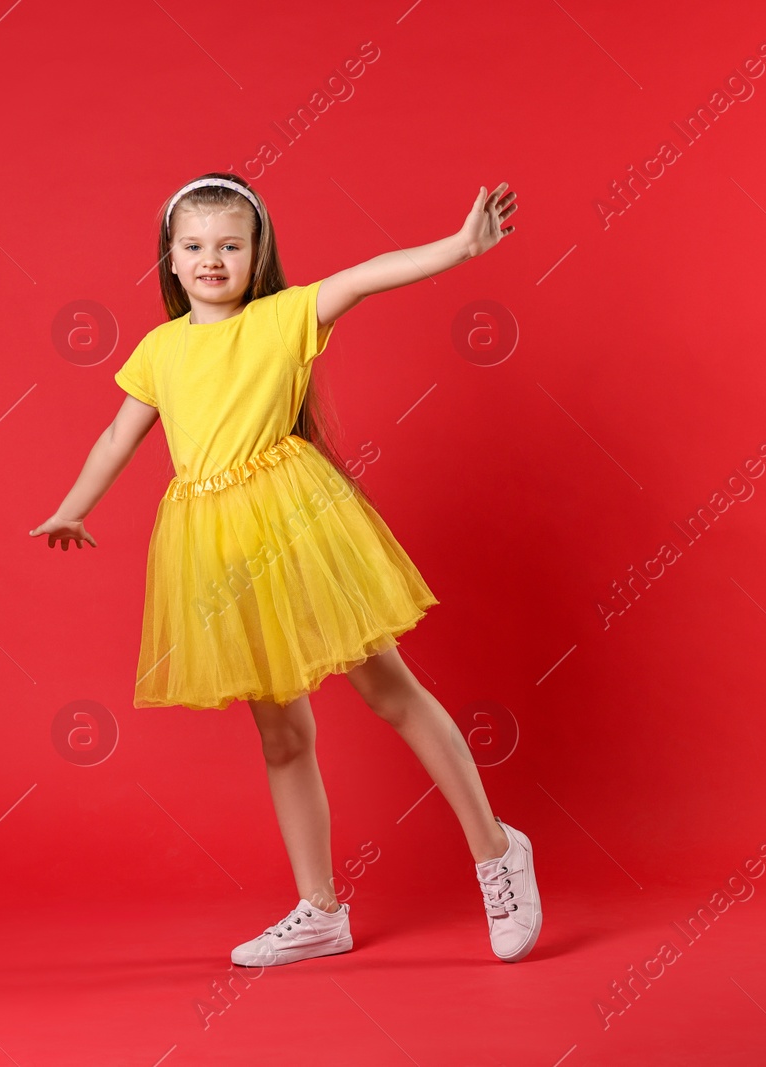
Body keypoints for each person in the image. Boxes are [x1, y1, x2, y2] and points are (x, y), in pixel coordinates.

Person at [30, 172, 540, 965]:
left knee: (389, 691)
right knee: (282, 735)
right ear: (169, 259)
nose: (211, 259)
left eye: (230, 245)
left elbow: (367, 276)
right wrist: (73, 506)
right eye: (194, 246)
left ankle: (497, 849)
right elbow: (116, 437)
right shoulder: (160, 349)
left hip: (296, 529)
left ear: (256, 253)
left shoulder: (281, 318)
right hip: (218, 550)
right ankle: (320, 909)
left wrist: (459, 247)